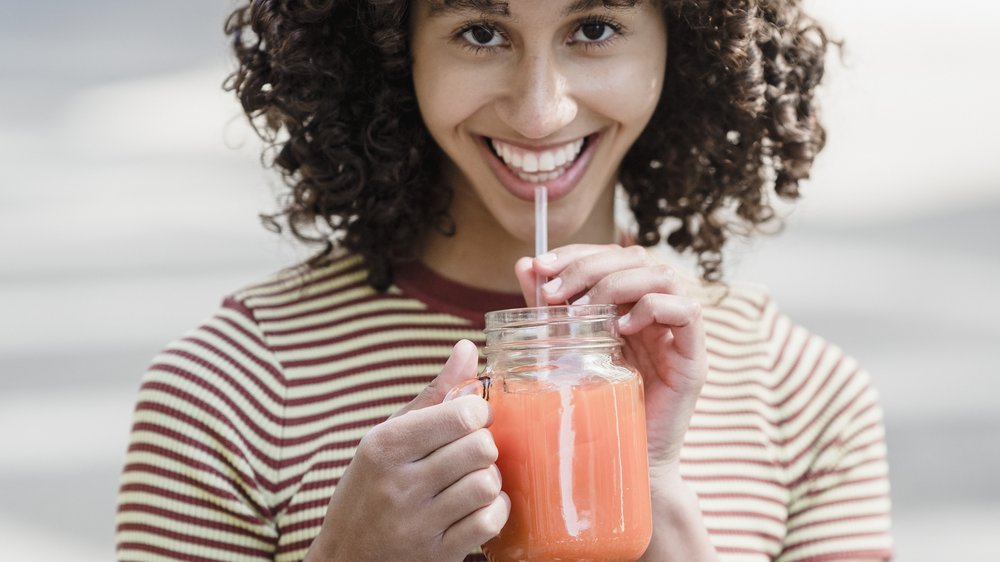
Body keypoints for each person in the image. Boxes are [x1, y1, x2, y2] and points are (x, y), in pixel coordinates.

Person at [115, 0, 893, 560]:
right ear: (393, 47)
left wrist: (659, 503)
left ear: (681, 43)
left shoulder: (804, 393)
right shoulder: (228, 387)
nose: (539, 111)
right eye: (481, 33)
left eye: (594, 29)